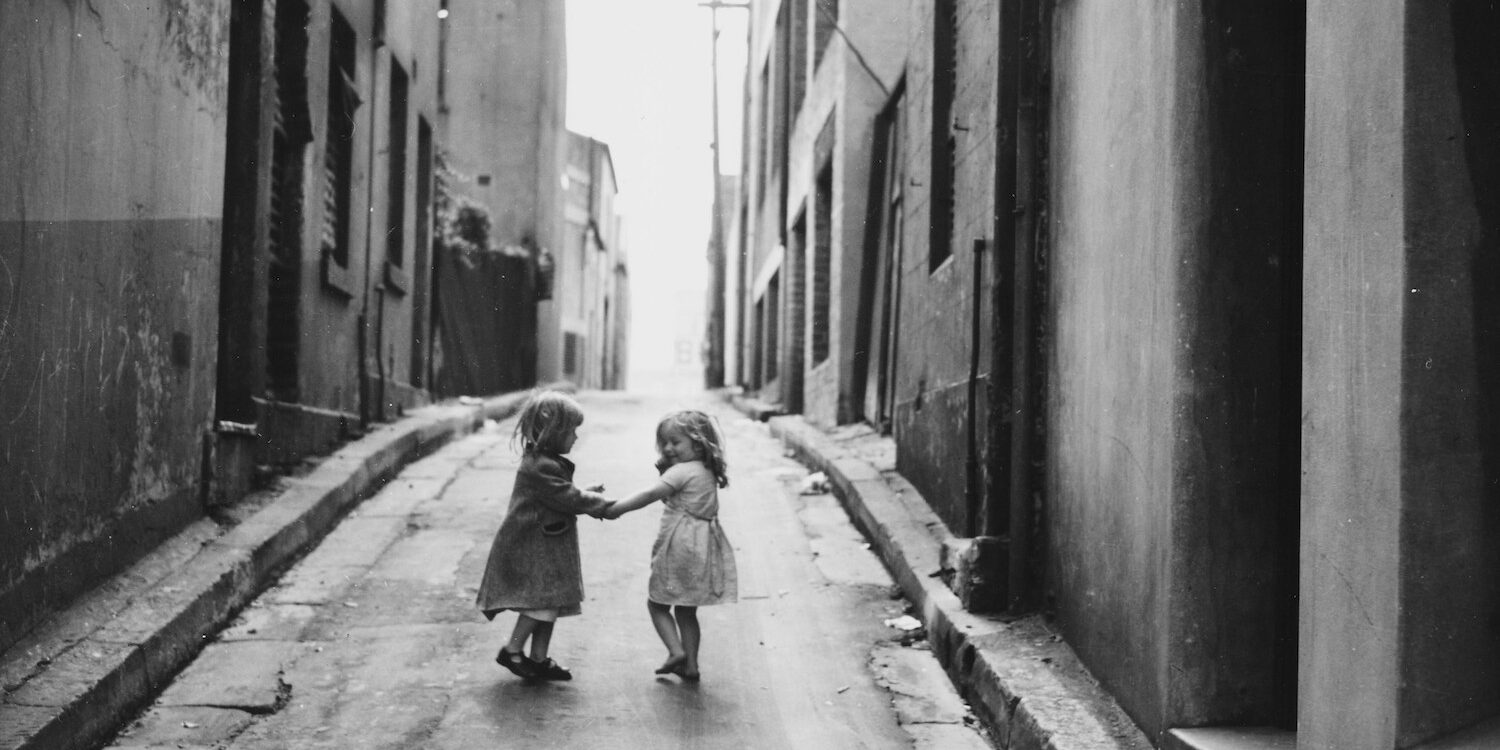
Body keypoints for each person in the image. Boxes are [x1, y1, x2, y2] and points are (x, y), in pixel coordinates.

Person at [476, 390, 610, 681]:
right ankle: (511, 650)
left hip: (545, 544)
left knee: (550, 601)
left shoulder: (545, 462)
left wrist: (584, 493)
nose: (576, 437)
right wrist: (601, 506)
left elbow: (560, 495)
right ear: (553, 432)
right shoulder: (540, 466)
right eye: (572, 430)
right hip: (532, 546)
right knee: (542, 603)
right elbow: (567, 497)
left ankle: (538, 658)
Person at [605, 410, 738, 681]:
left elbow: (652, 494)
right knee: (687, 609)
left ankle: (675, 651)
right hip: (703, 546)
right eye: (664, 442)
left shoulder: (680, 471)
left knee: (657, 604)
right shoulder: (706, 470)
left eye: (675, 442)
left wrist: (615, 508)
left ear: (698, 443)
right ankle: (691, 665)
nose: (668, 448)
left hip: (679, 545)